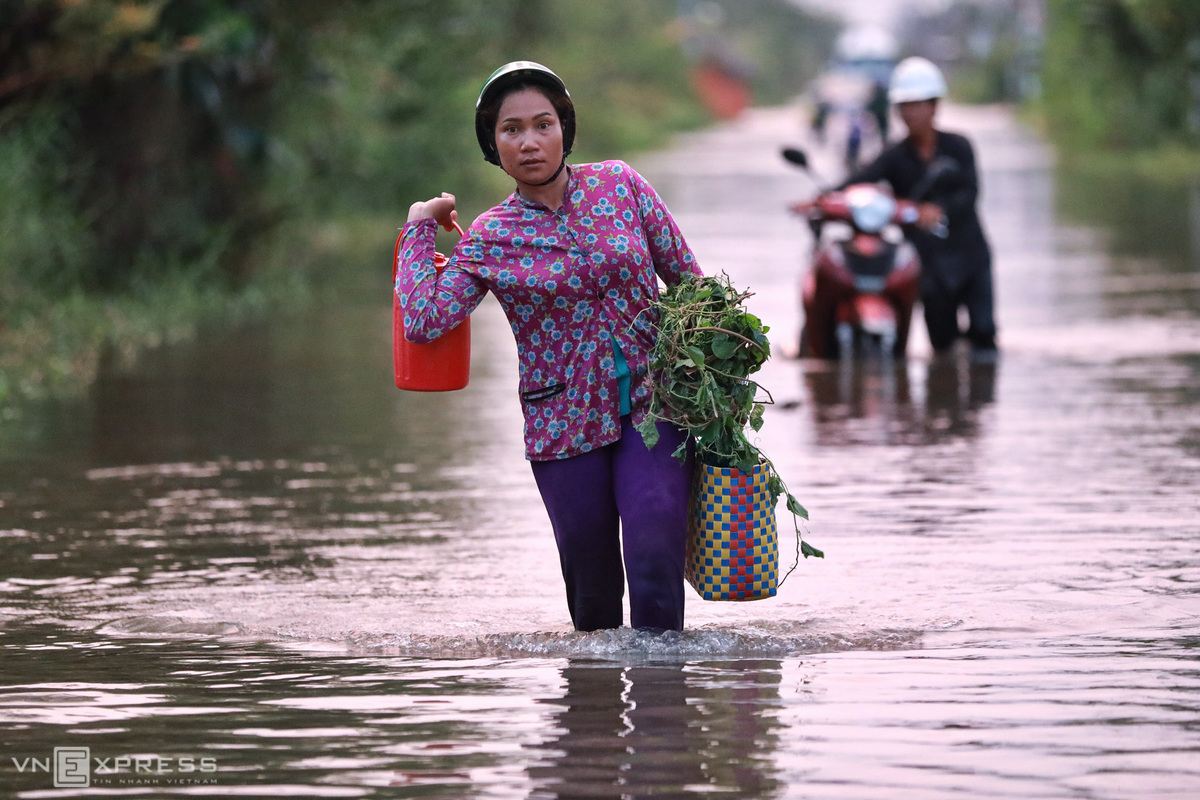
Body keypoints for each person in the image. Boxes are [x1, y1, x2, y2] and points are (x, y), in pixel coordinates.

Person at [396, 61, 702, 633]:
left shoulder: (622, 185)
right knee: (593, 599)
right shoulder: (490, 235)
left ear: (565, 128)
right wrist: (418, 227)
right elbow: (423, 321)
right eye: (511, 130)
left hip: (656, 404)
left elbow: (692, 286)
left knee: (655, 557)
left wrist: (718, 384)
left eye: (543, 124)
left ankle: (665, 712)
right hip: (561, 422)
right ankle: (593, 715)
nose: (530, 142)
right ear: (494, 143)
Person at [843, 56, 998, 361]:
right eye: (903, 105)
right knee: (942, 344)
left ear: (934, 105)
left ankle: (982, 404)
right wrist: (824, 197)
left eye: (916, 104)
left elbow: (970, 193)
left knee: (984, 334)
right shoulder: (893, 156)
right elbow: (861, 179)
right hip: (928, 265)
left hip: (971, 256)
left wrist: (938, 211)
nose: (909, 113)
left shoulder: (959, 147)